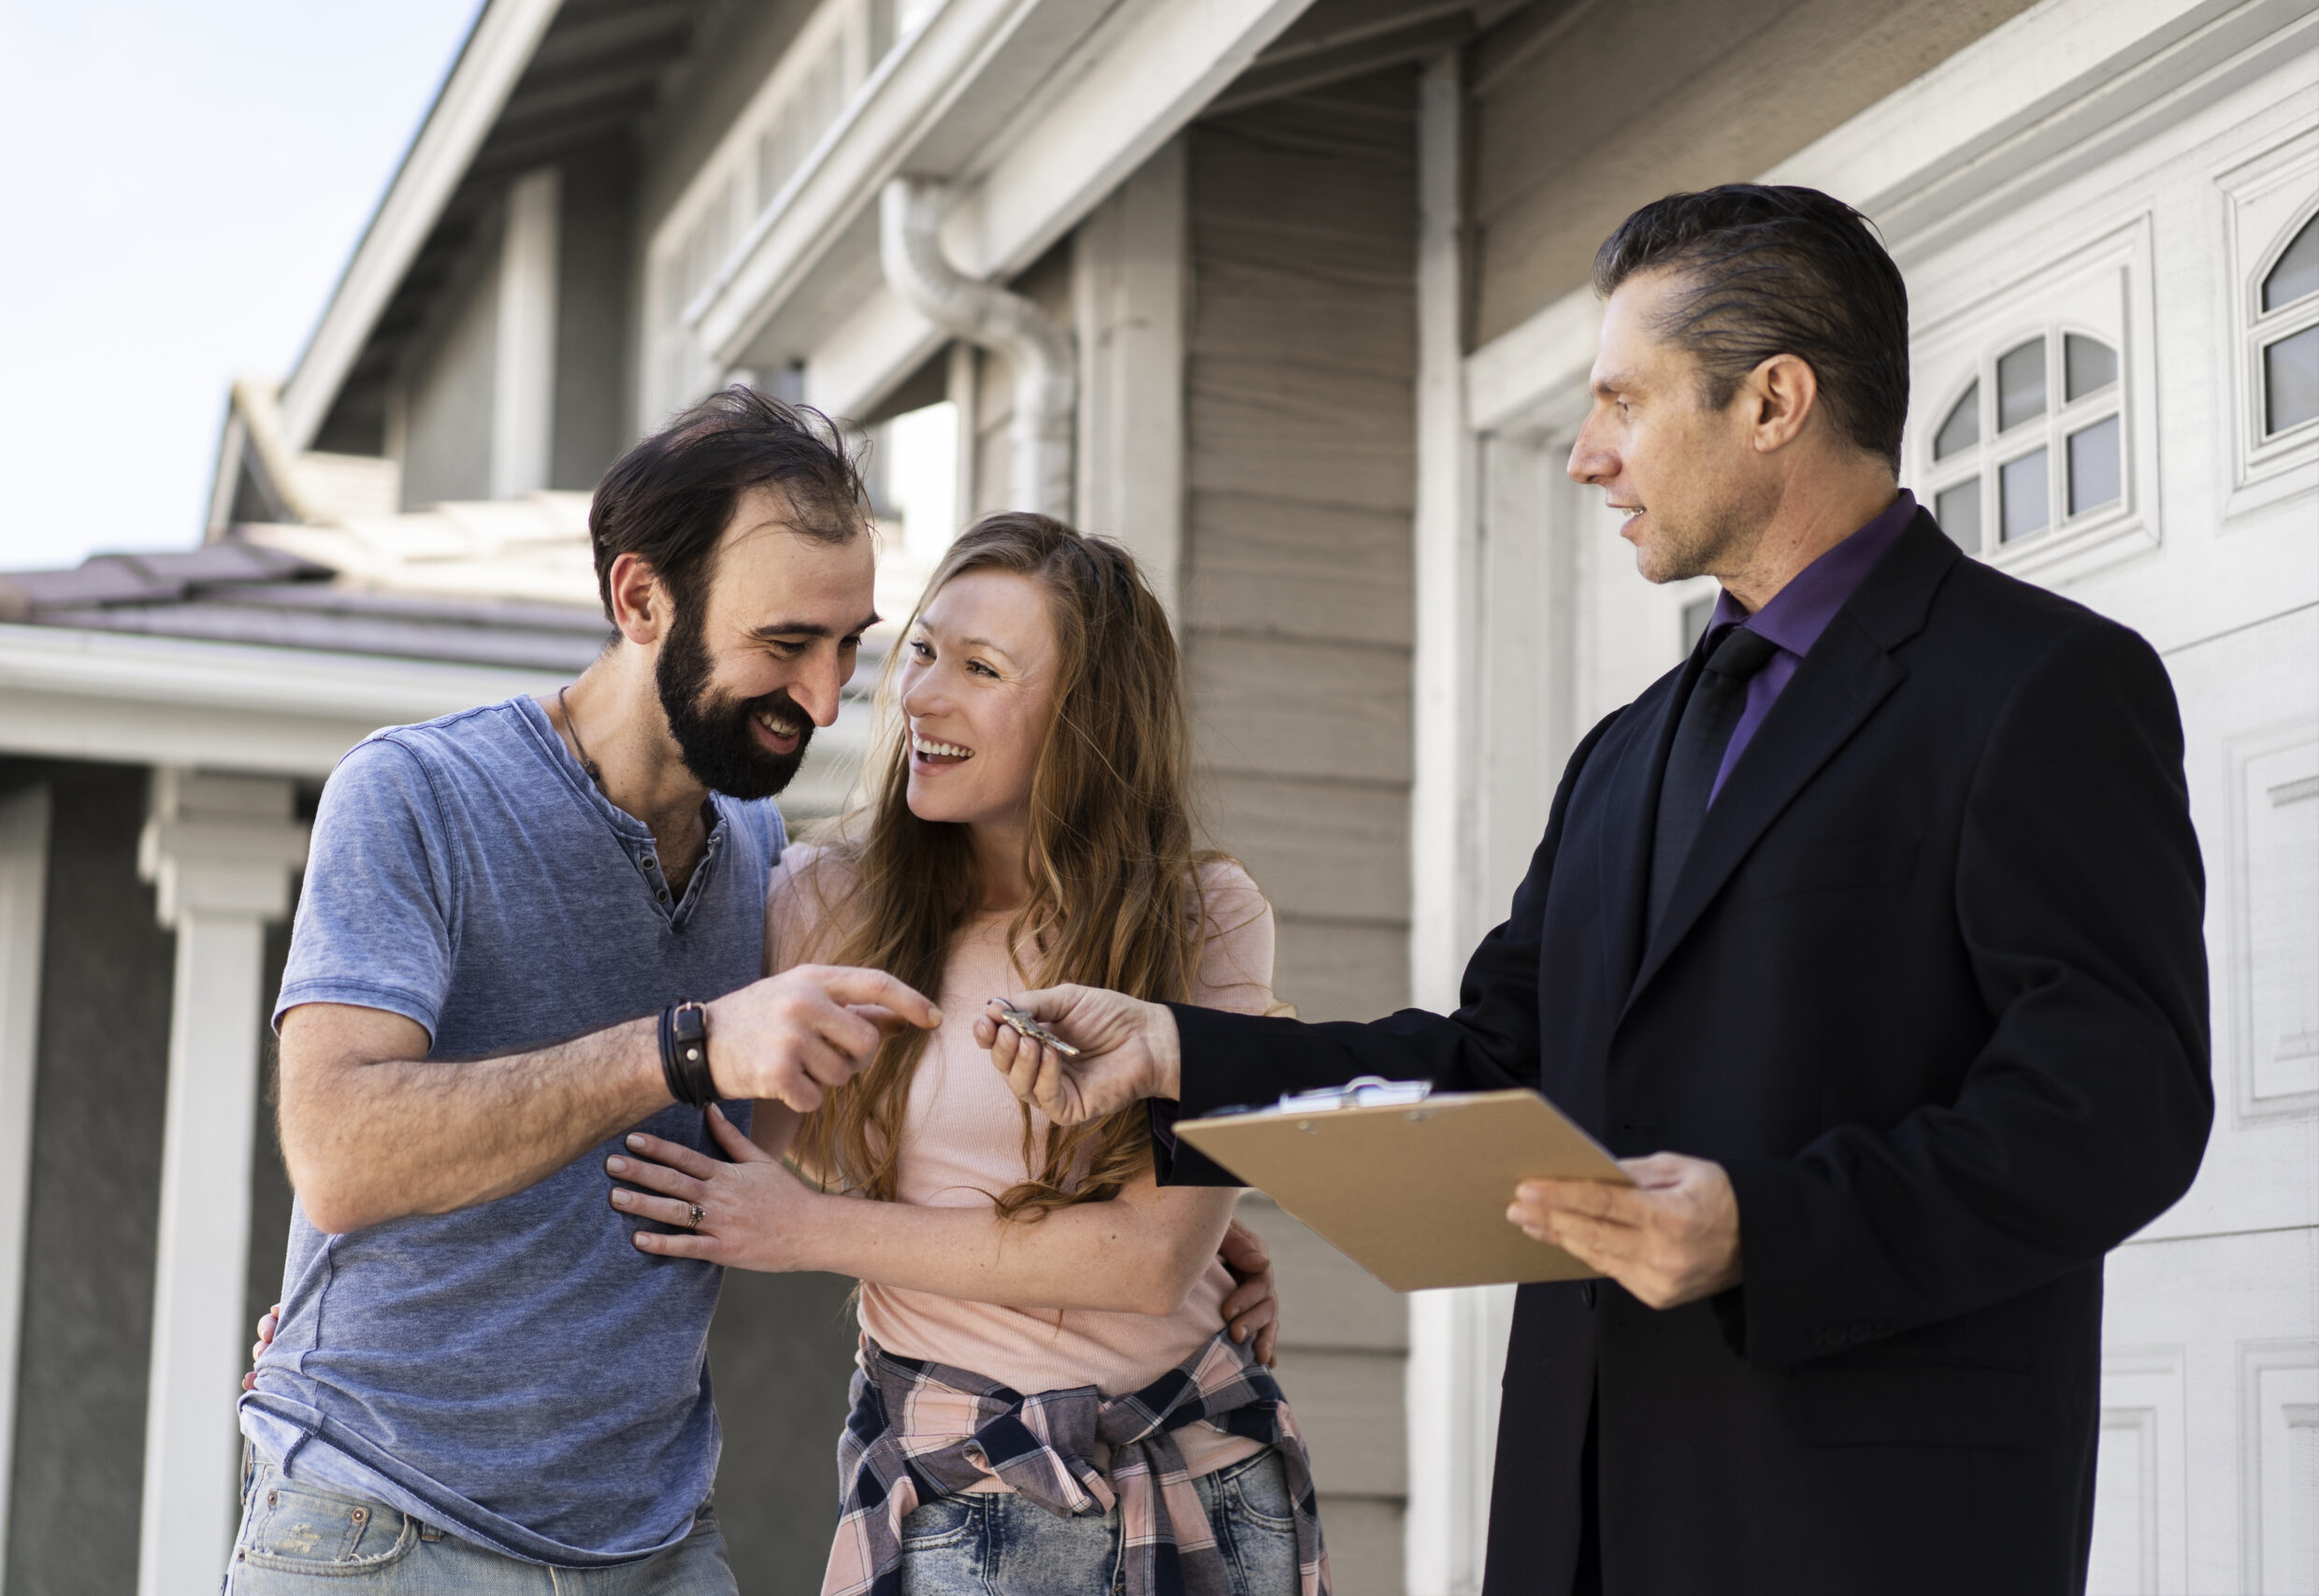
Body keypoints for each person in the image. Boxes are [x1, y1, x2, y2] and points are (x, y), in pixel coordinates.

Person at [974, 186, 2212, 1596]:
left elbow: (2116, 1107)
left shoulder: (2043, 685)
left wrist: (1768, 1225)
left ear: (1774, 400)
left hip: (1865, 1517)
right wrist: (1181, 1050)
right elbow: (1502, 1061)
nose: (1586, 456)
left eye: (1623, 400)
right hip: (1578, 1509)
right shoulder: (1624, 751)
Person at [236, 391, 1276, 1592]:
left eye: (851, 646)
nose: (834, 701)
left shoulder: (756, 856)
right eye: (786, 645)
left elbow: (854, 1138)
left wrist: (1181, 1229)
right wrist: (684, 1048)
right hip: (389, 1520)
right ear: (639, 601)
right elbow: (341, 1156)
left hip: (654, 1537)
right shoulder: (415, 794)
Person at [606, 515, 1327, 1596]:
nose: (921, 696)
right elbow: (663, 1123)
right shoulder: (820, 902)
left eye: (980, 669)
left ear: (1085, 719)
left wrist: (813, 1233)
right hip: (965, 1483)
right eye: (927, 651)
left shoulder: (1201, 915)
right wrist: (371, 1299)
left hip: (1204, 1473)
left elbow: (1146, 1264)